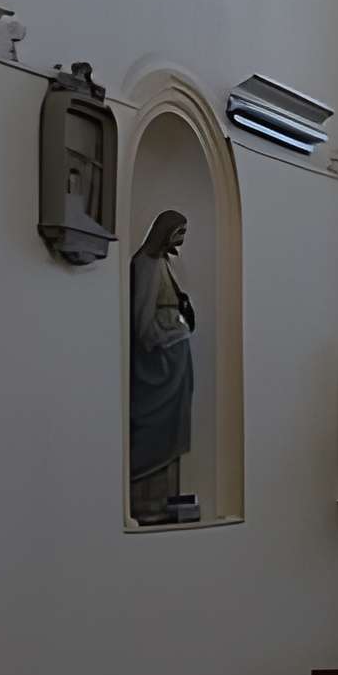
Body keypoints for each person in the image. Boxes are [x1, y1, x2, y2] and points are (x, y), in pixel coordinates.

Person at [128, 209, 196, 522]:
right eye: (179, 233)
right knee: (155, 429)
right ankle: (146, 502)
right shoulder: (146, 263)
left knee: (175, 427)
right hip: (159, 362)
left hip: (175, 359)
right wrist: (164, 338)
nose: (181, 240)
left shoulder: (164, 262)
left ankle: (166, 500)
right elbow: (142, 320)